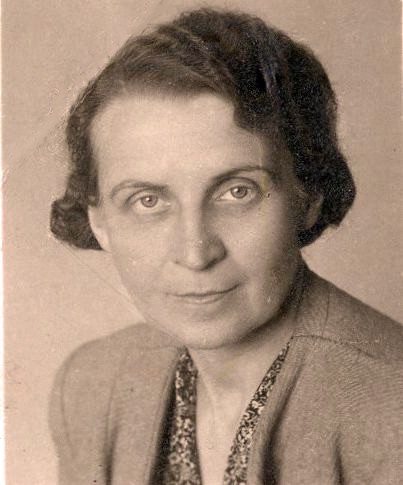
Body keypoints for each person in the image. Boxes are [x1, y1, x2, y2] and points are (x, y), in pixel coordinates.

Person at [49, 7, 403, 485]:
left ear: (308, 196)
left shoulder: (391, 407)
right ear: (100, 222)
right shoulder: (90, 387)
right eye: (148, 200)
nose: (196, 254)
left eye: (238, 191)